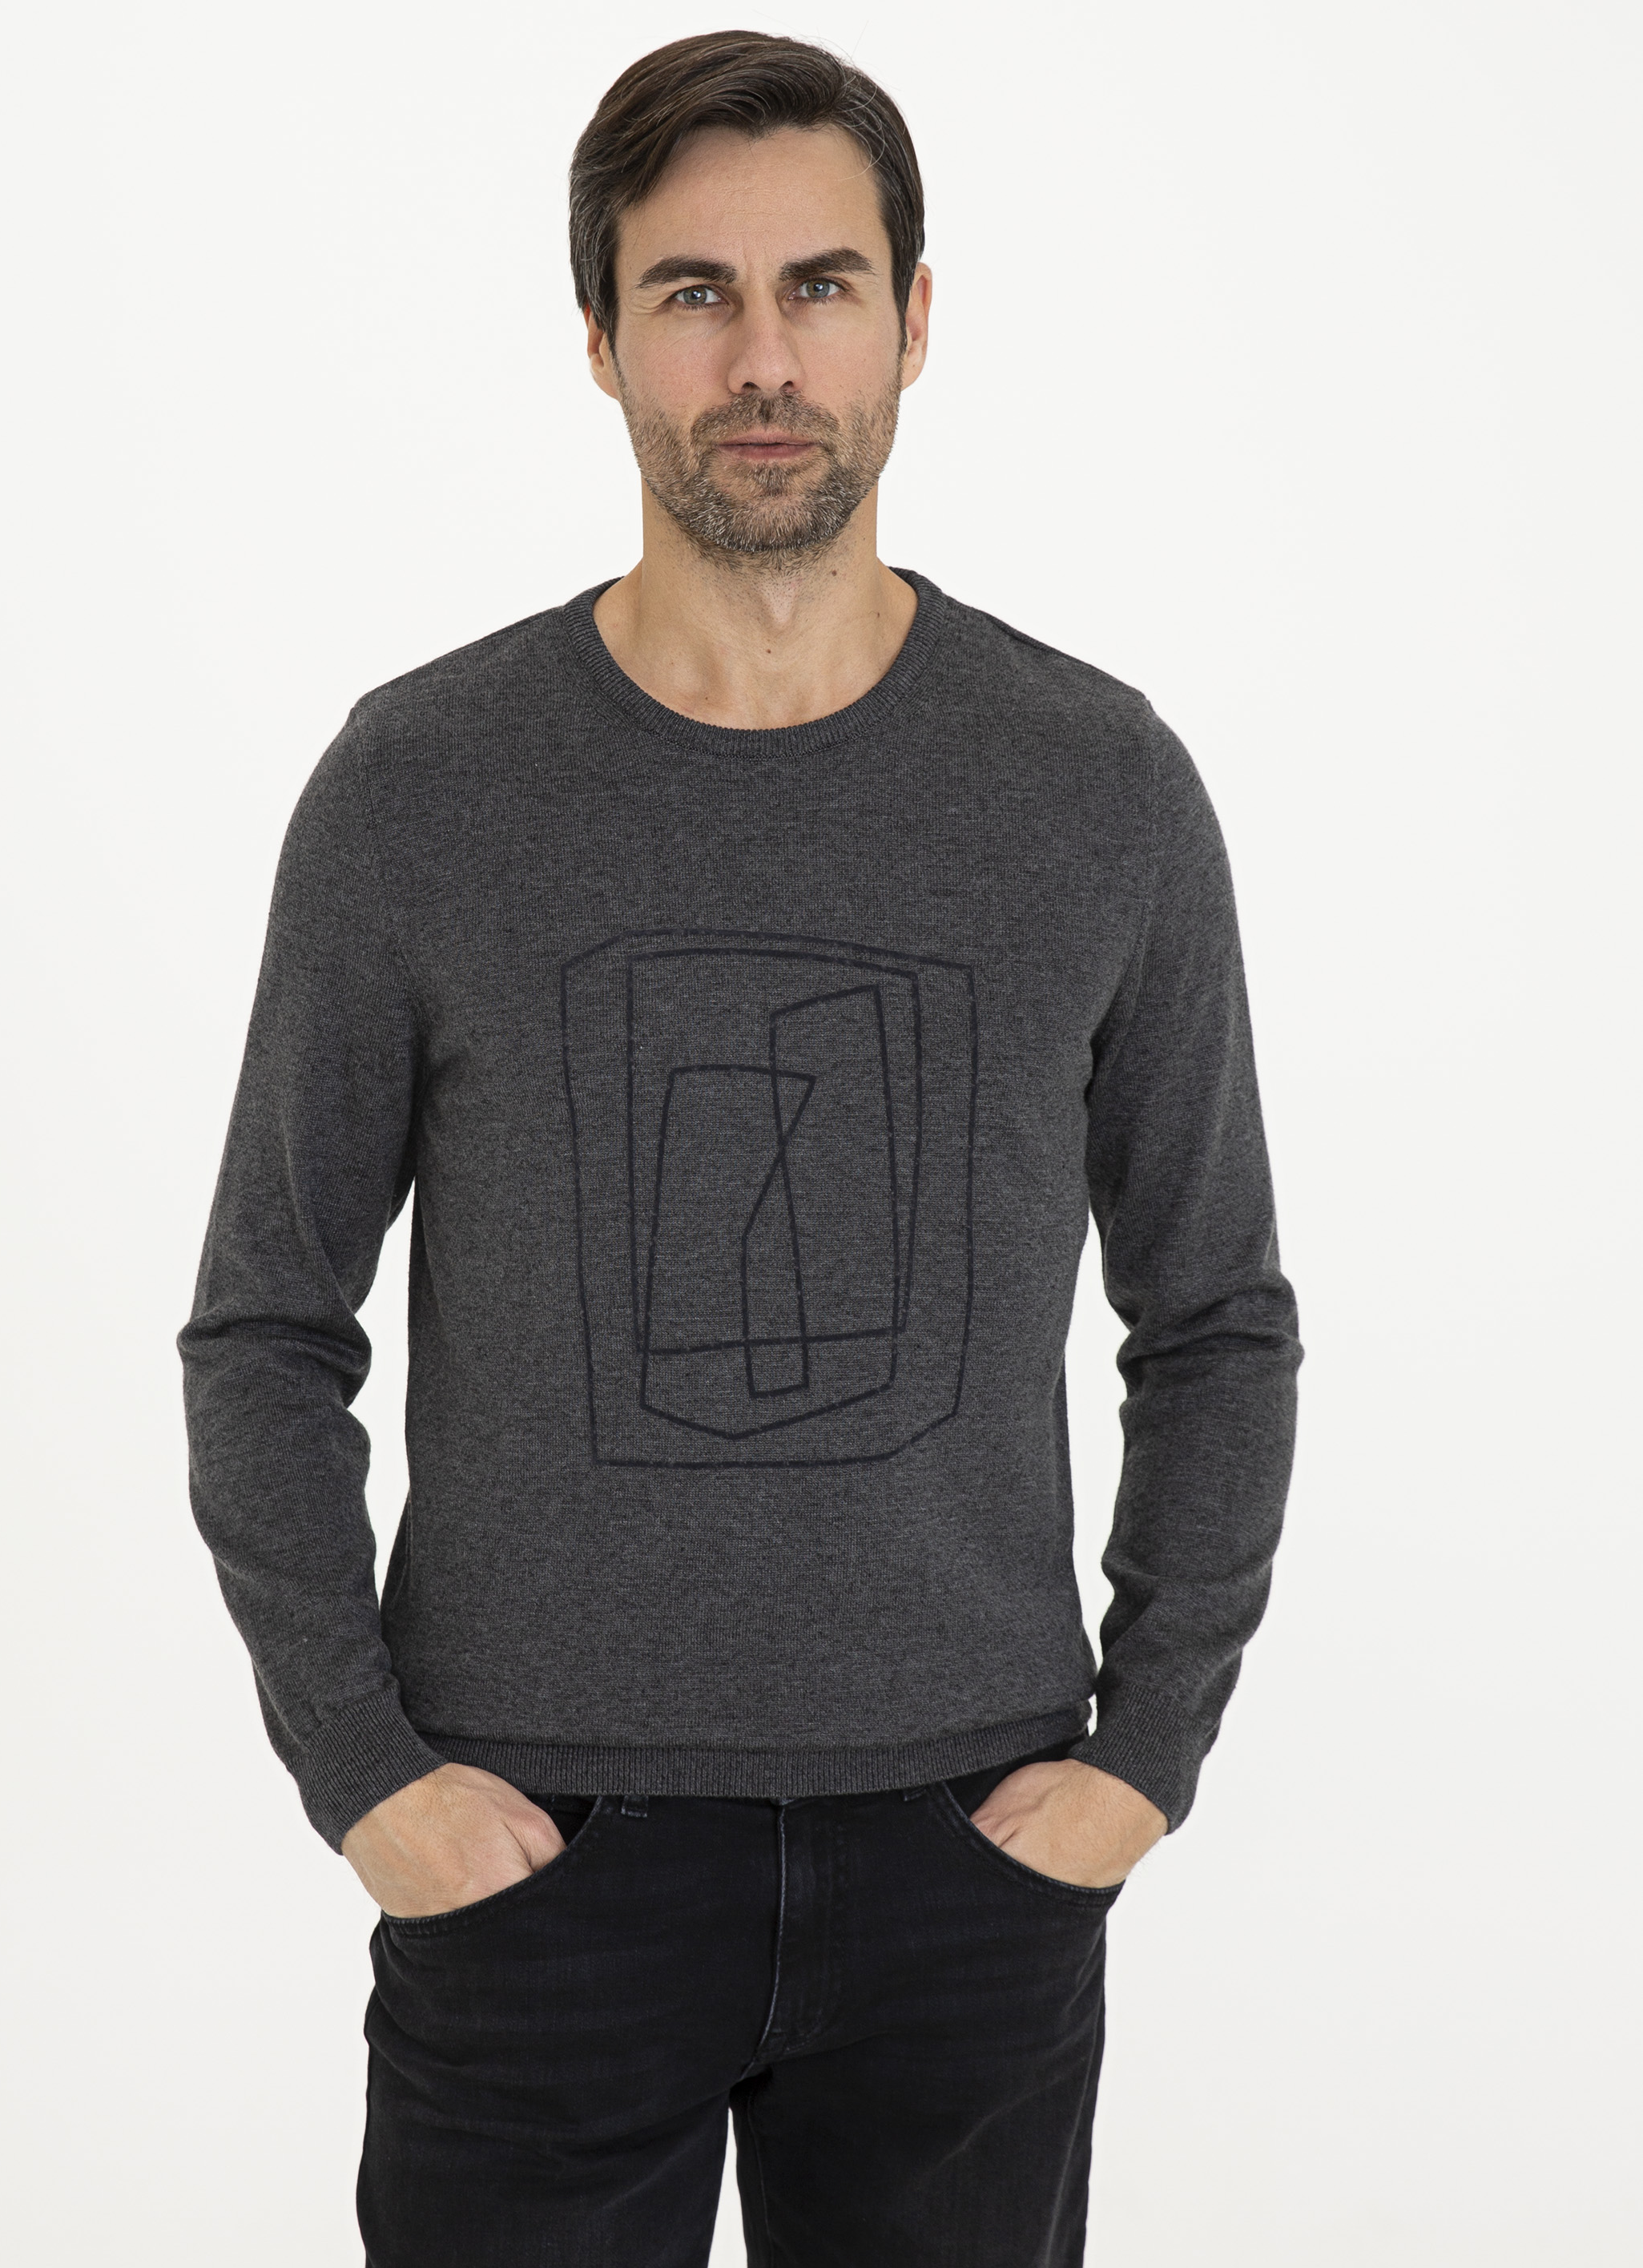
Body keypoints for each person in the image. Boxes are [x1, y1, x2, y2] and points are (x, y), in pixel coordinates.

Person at [179, 28, 1302, 2267]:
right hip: (536, 1855)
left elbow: (1216, 1321)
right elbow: (266, 1329)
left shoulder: (1096, 785)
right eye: (693, 293)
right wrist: (366, 1776)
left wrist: (1142, 1759)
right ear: (600, 339)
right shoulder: (422, 785)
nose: (763, 359)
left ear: (914, 320)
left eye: (820, 287)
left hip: (969, 1851)